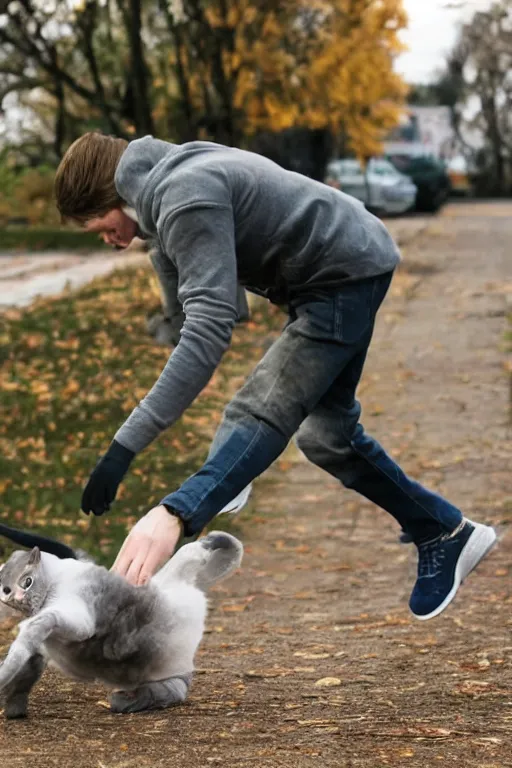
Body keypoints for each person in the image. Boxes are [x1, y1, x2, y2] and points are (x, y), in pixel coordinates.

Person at [54, 133, 496, 620]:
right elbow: (212, 309)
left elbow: (209, 330)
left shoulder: (184, 196)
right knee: (327, 436)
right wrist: (169, 319)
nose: (107, 239)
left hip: (340, 277)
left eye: (98, 225)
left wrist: (127, 449)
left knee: (261, 410)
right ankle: (444, 532)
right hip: (342, 265)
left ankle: (188, 505)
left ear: (110, 196)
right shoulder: (164, 202)